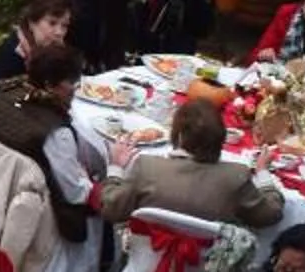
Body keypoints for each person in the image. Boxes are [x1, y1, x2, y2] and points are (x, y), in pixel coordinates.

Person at [0, 42, 104, 272]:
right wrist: (115, 171)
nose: (75, 89)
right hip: (42, 216)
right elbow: (75, 192)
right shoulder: (56, 133)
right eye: (72, 83)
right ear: (49, 84)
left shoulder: (0, 94)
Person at [102, 97, 284, 233]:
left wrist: (116, 168)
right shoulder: (235, 177)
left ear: (179, 135)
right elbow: (271, 214)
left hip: (144, 270)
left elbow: (110, 208)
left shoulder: (147, 168)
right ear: (221, 138)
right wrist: (262, 174)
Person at [0, 0, 72, 85]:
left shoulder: (48, 49)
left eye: (64, 25)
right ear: (32, 22)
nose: (59, 32)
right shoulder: (14, 56)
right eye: (52, 23)